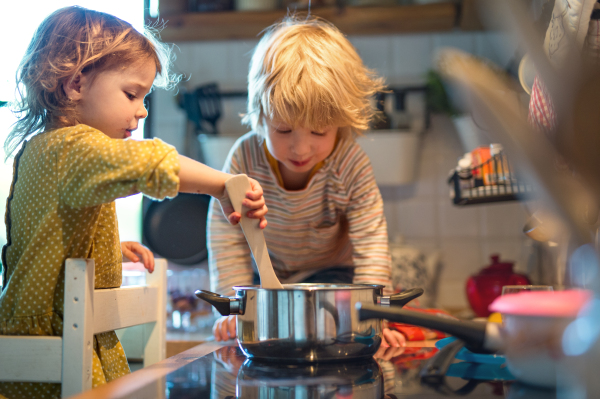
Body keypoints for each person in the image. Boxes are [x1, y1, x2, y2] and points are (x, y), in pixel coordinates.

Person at [0, 6, 267, 399]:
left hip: (48, 330)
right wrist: (223, 183)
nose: (142, 110)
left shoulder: (47, 150)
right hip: (53, 343)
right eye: (131, 94)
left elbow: (44, 239)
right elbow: (149, 162)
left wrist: (108, 250)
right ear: (75, 85)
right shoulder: (72, 146)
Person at [208, 15, 405, 348]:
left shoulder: (350, 163)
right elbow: (227, 234)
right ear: (260, 113)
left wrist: (373, 315)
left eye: (318, 131)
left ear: (341, 123)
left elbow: (371, 242)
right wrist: (232, 306)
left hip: (335, 281)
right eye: (283, 130)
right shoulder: (244, 158)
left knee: (335, 339)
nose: (299, 148)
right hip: (265, 280)